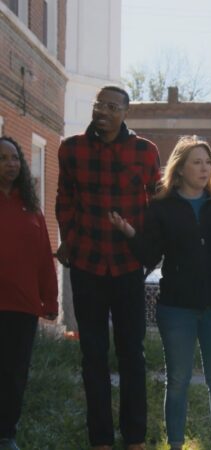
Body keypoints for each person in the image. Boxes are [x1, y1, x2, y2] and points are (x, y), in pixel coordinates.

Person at [109, 136, 211, 450]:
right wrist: (128, 231)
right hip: (176, 309)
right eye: (196, 162)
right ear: (181, 169)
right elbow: (149, 255)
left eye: (207, 162)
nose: (204, 168)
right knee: (178, 382)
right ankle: (175, 444)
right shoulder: (162, 207)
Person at [55, 86, 160, 450]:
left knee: (132, 355)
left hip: (128, 266)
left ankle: (134, 438)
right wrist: (70, 238)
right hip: (87, 265)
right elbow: (64, 198)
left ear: (125, 112)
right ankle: (100, 439)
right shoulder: (71, 149)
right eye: (99, 104)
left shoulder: (146, 152)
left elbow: (156, 204)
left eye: (112, 106)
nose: (103, 111)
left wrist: (145, 250)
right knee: (93, 356)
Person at [0, 137, 58, 450]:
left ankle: (6, 434)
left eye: (15, 158)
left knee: (15, 374)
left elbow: (42, 257)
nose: (11, 164)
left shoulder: (30, 206)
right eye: (3, 158)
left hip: (22, 306)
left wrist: (50, 299)